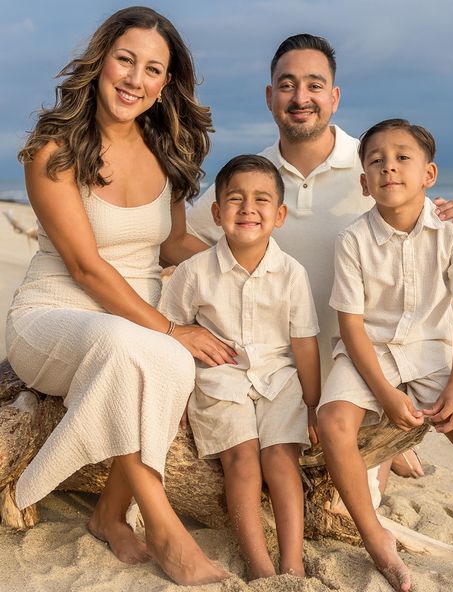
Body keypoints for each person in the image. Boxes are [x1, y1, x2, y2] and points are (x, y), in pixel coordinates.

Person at [5, 7, 235, 586]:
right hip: (57, 316)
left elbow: (172, 242)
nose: (135, 79)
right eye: (125, 60)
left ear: (164, 86)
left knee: (149, 353)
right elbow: (86, 267)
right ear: (101, 61)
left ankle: (110, 512)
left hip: (134, 324)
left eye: (152, 70)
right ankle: (162, 527)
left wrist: (237, 260)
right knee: (142, 349)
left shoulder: (167, 151)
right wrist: (170, 330)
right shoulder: (52, 151)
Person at [186, 33, 453, 481]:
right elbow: (180, 239)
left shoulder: (375, 166)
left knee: (352, 499)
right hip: (286, 381)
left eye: (314, 85)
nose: (301, 98)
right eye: (287, 85)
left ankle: (387, 448)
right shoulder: (252, 178)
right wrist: (233, 269)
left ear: (334, 97)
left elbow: (432, 226)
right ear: (269, 96)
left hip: (369, 372)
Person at [316, 119, 453, 592]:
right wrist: (384, 394)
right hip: (372, 353)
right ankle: (377, 540)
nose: (389, 167)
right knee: (333, 423)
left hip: (434, 351)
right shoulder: (352, 241)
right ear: (364, 182)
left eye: (403, 157)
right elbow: (353, 326)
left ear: (429, 174)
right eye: (376, 160)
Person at [158, 155, 320, 579]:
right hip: (221, 378)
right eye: (235, 199)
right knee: (242, 461)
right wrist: (175, 400)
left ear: (280, 215)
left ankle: (293, 562)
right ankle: (260, 566)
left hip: (279, 378)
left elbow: (304, 343)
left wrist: (313, 403)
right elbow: (169, 332)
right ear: (216, 212)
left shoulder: (292, 273)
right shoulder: (194, 272)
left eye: (262, 199)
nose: (248, 208)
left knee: (281, 460)